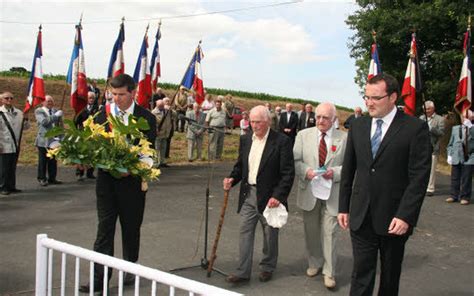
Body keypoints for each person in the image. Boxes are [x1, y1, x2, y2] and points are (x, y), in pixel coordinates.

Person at [337, 73, 431, 296]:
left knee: (389, 277)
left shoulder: (414, 128)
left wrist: (406, 215)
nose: (369, 102)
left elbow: (419, 178)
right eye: (366, 97)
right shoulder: (358, 126)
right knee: (361, 274)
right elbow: (349, 169)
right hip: (361, 215)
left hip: (394, 218)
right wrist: (343, 206)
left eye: (375, 98)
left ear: (393, 97)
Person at [79, 74, 156, 293]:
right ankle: (98, 281)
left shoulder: (147, 118)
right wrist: (87, 159)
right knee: (104, 230)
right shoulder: (103, 114)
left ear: (133, 93)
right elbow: (93, 145)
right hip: (106, 183)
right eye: (113, 94)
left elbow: (148, 152)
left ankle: (130, 267)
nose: (117, 99)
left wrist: (131, 169)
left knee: (130, 230)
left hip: (132, 184)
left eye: (122, 94)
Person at [223, 105, 294, 284]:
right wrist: (232, 179)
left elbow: (287, 173)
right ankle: (242, 272)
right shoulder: (246, 139)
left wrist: (278, 196)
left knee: (270, 234)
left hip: (270, 198)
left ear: (268, 121)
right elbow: (241, 166)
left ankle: (267, 266)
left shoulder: (282, 142)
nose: (254, 125)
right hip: (249, 194)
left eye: (258, 122)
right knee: (244, 232)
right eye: (252, 121)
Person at [293, 102, 347, 289]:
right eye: (318, 117)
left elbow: (350, 166)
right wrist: (306, 171)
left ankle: (329, 272)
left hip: (333, 193)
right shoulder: (302, 135)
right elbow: (295, 161)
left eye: (325, 117)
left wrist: (335, 173)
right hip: (309, 191)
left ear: (333, 119)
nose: (321, 121)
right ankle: (315, 262)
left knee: (330, 232)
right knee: (312, 231)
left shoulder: (345, 138)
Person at [0, 92, 28, 195]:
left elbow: (25, 127)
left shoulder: (19, 112)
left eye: (11, 98)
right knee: (3, 168)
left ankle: (11, 186)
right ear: (2, 100)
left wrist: (26, 119)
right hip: (3, 144)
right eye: (6, 98)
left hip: (15, 144)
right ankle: (3, 186)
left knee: (12, 167)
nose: (9, 100)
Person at [34, 95, 63, 186]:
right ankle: (42, 178)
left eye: (51, 101)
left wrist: (62, 136)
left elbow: (60, 125)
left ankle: (52, 178)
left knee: (53, 160)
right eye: (48, 101)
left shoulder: (55, 111)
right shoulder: (39, 111)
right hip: (44, 140)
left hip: (55, 140)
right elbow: (44, 122)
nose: (50, 103)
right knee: (43, 161)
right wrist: (55, 116)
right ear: (43, 102)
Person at [446, 110, 473, 205]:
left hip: (469, 157)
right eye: (463, 117)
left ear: (471, 118)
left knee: (466, 178)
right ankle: (453, 195)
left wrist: (471, 127)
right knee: (455, 177)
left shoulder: (472, 128)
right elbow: (450, 144)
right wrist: (449, 154)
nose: (464, 119)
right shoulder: (455, 128)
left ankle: (465, 196)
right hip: (456, 156)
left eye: (467, 117)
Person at [418, 101, 445, 196]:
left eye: (428, 109)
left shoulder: (439, 119)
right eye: (425, 109)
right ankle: (421, 186)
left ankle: (430, 188)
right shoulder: (421, 118)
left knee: (432, 169)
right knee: (421, 167)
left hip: (433, 147)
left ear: (433, 109)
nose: (426, 111)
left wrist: (431, 129)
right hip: (422, 147)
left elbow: (441, 133)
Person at [74, 91, 99, 180]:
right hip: (82, 133)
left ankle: (90, 173)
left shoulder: (97, 108)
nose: (91, 99)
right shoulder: (81, 108)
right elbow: (76, 121)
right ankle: (79, 173)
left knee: (92, 153)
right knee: (81, 153)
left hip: (92, 134)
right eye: (89, 98)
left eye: (93, 98)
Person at [152, 98, 175, 167]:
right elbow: (154, 123)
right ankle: (156, 163)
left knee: (163, 148)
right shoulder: (154, 112)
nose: (162, 107)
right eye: (160, 106)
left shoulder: (167, 111)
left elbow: (175, 115)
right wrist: (155, 130)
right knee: (156, 149)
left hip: (165, 133)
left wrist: (171, 110)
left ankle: (162, 162)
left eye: (162, 106)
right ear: (157, 105)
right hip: (158, 133)